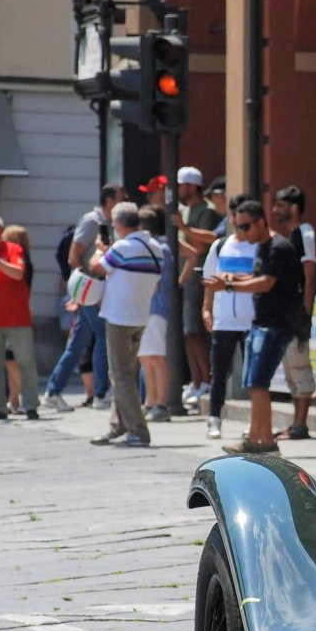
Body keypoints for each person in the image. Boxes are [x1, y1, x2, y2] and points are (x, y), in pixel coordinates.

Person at [220, 200, 304, 454]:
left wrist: (229, 286)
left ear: (260, 222)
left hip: (275, 324)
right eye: (238, 226)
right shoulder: (263, 247)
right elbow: (259, 277)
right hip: (263, 323)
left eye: (245, 226)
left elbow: (266, 283)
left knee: (258, 383)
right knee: (254, 384)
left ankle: (263, 440)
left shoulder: (279, 247)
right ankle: (258, 437)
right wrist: (234, 278)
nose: (241, 232)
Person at [89, 202, 163, 447]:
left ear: (119, 225)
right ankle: (117, 425)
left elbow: (96, 267)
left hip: (119, 317)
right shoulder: (155, 247)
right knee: (127, 374)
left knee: (120, 375)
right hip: (140, 315)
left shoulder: (122, 247)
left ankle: (137, 430)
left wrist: (99, 251)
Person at [62, 182, 126, 410]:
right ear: (110, 200)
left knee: (79, 342)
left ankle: (54, 389)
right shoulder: (93, 221)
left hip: (98, 289)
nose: (124, 200)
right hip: (92, 289)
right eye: (121, 197)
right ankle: (101, 393)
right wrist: (83, 289)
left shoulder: (111, 224)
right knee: (101, 337)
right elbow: (74, 255)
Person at [200, 194, 258, 439]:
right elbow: (209, 280)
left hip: (250, 319)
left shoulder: (258, 246)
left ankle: (254, 421)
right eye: (234, 218)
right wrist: (206, 308)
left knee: (253, 376)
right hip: (224, 319)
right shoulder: (220, 245)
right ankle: (214, 418)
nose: (237, 224)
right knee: (219, 372)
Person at [270, 185, 316, 439]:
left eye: (280, 204)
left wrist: (304, 316)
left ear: (294, 208)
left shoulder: (305, 233)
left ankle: (301, 425)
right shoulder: (291, 236)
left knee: (300, 369)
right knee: (290, 370)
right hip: (287, 315)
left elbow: (310, 277)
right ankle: (295, 423)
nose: (275, 209)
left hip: (296, 316)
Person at [173, 166, 220, 409]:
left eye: (181, 185)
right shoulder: (181, 210)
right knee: (185, 333)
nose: (179, 190)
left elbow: (204, 244)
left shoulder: (206, 210)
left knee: (195, 331)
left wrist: (183, 228)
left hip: (198, 276)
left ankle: (206, 379)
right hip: (180, 276)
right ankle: (196, 380)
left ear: (191, 186)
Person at [136, 206, 176, 422]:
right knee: (145, 356)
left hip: (156, 307)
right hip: (144, 307)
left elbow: (156, 282)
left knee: (156, 356)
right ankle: (150, 401)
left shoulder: (160, 248)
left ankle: (161, 403)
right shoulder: (153, 247)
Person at [0, 217, 38, 421]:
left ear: (0, 231)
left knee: (25, 361)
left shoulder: (13, 249)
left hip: (17, 317)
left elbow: (18, 273)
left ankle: (30, 404)